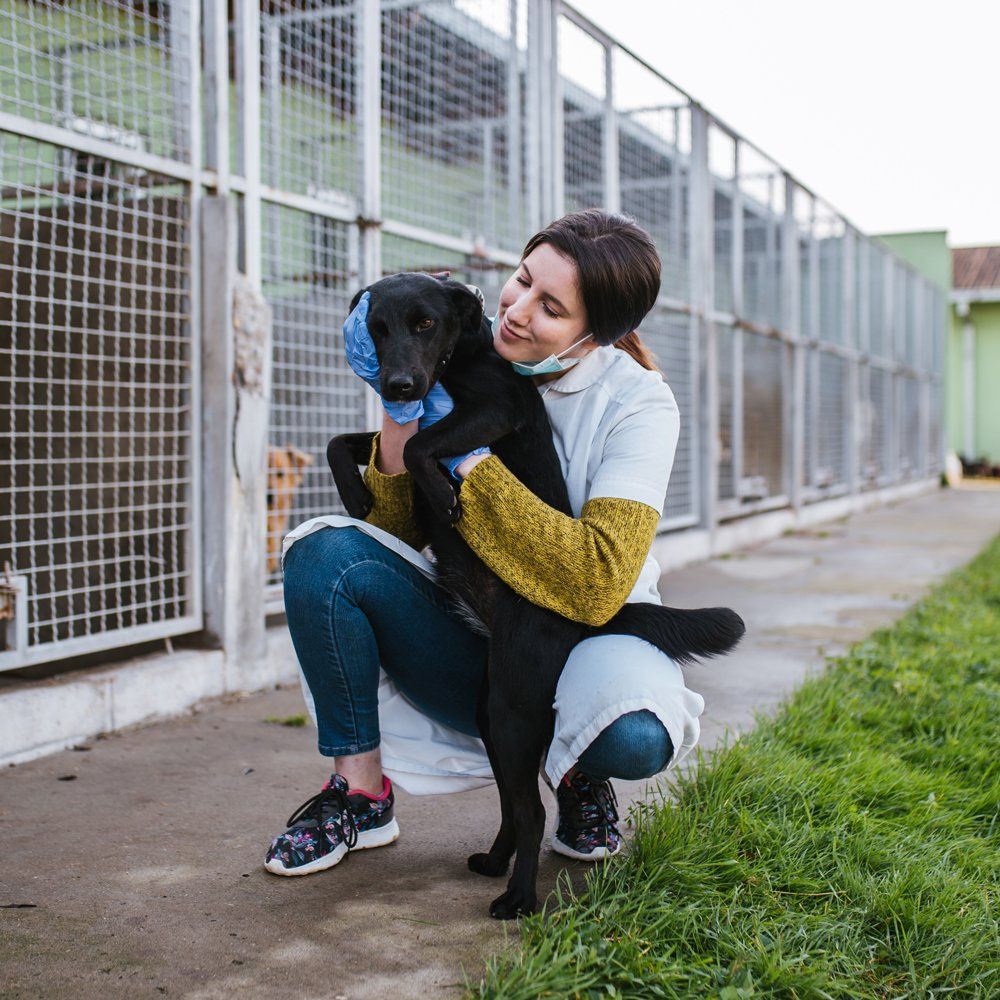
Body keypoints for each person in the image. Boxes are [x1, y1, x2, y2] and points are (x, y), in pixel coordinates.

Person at [264, 208, 706, 878]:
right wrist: (398, 404)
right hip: (467, 632)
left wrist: (465, 459)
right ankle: (360, 795)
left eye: (550, 306)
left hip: (582, 639)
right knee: (325, 554)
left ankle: (579, 772)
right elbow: (393, 537)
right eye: (521, 280)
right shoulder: (453, 351)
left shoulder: (639, 404)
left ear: (597, 335)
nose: (517, 311)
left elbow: (595, 578)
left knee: (634, 735)